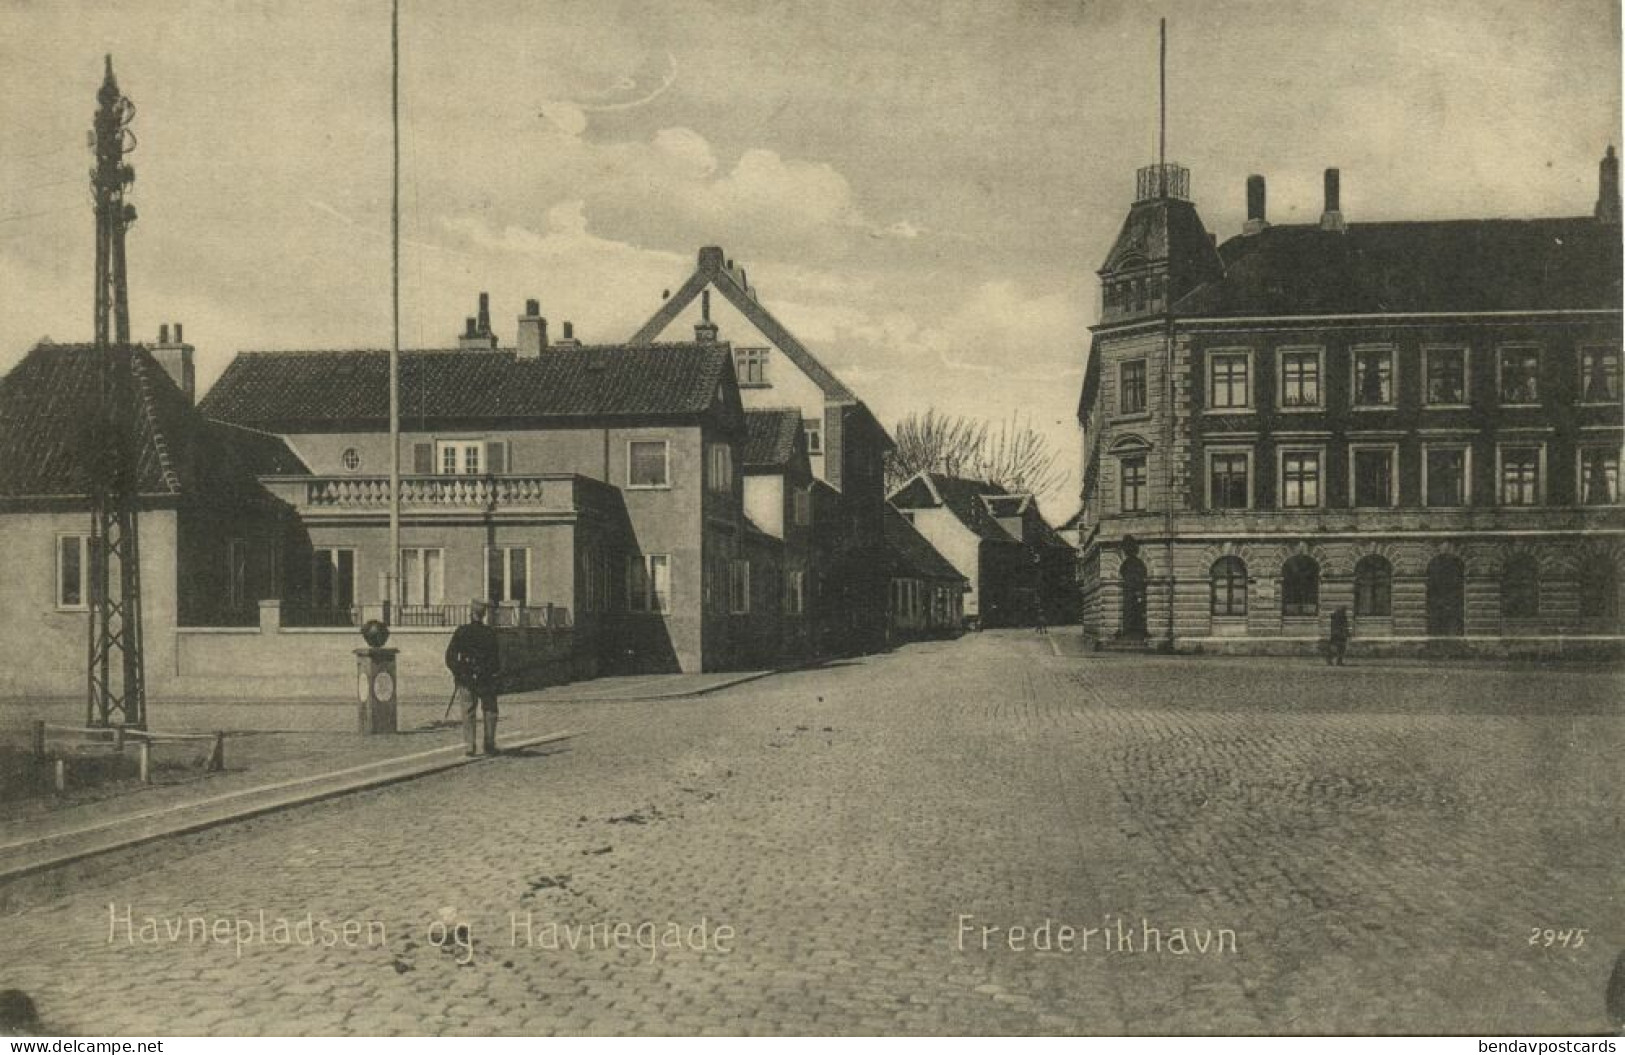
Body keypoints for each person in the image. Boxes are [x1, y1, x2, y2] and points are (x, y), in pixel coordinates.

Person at [446, 599, 502, 756]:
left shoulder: (462, 631)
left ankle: (470, 746)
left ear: (471, 614)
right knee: (490, 710)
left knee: (468, 710)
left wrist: (459, 672)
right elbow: (496, 659)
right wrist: (489, 672)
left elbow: (450, 656)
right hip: (485, 678)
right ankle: (489, 744)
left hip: (466, 678)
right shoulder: (489, 633)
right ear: (483, 615)